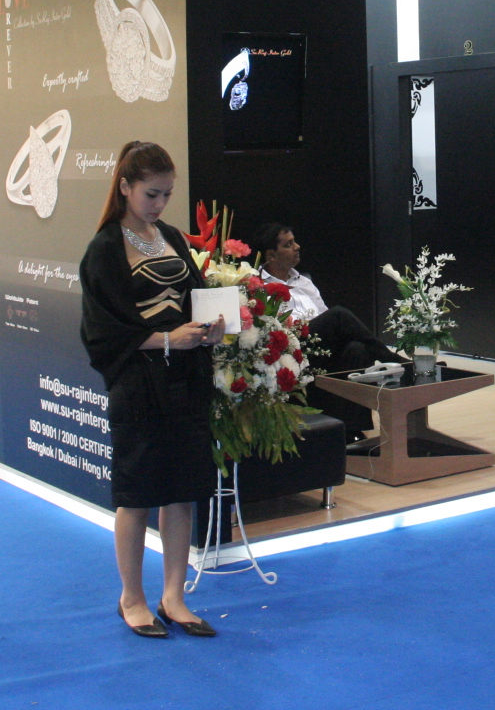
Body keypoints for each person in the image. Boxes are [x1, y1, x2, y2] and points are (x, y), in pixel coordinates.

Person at [80, 141, 223, 640]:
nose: (159, 204)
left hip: (185, 381)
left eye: (166, 195)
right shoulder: (104, 249)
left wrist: (210, 328)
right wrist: (165, 339)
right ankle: (132, 597)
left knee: (183, 491)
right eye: (151, 194)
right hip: (139, 386)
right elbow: (102, 331)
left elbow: (194, 298)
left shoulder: (171, 237)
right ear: (125, 187)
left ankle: (174, 596)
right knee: (138, 493)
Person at [247, 222, 405, 440]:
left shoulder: (303, 282)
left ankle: (351, 431)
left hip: (318, 348)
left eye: (294, 242)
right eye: (288, 245)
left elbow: (324, 318)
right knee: (338, 315)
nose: (297, 247)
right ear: (271, 255)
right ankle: (392, 360)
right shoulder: (256, 286)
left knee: (356, 348)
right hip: (288, 352)